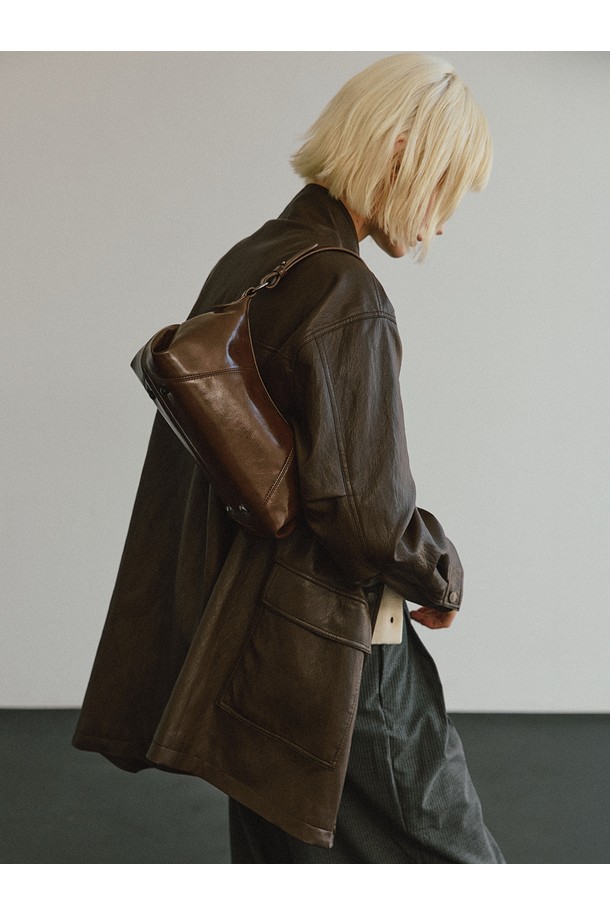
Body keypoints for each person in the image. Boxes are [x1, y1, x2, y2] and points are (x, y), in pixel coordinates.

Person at [73, 52, 505, 863]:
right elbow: (366, 514)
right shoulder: (347, 293)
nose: (444, 220)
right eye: (447, 187)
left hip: (253, 655)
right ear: (401, 151)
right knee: (460, 862)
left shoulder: (250, 262)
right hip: (341, 655)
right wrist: (442, 571)